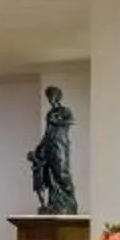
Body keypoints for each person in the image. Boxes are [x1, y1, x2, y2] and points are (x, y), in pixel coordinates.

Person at [27, 86, 78, 214]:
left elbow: (71, 121)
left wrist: (57, 121)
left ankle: (69, 202)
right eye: (48, 96)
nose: (50, 99)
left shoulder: (64, 110)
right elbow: (47, 132)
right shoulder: (49, 113)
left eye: (52, 95)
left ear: (57, 96)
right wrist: (39, 147)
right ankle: (54, 203)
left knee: (62, 173)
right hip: (50, 145)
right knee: (51, 175)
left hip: (60, 144)